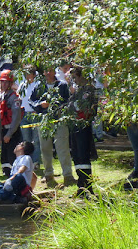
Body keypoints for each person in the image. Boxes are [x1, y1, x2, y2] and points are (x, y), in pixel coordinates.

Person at [32, 67, 75, 187]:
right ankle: (48, 174)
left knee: (63, 148)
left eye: (50, 70)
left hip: (59, 120)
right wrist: (40, 105)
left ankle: (68, 175)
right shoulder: (39, 86)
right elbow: (32, 101)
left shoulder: (62, 85)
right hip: (44, 121)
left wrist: (59, 107)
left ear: (54, 72)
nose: (48, 73)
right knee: (45, 148)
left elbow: (69, 101)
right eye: (46, 71)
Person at [67, 66, 98, 197]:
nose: (74, 80)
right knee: (76, 155)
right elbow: (69, 106)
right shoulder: (77, 90)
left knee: (83, 155)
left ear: (81, 76)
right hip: (73, 125)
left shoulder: (89, 90)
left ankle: (87, 186)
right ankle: (81, 186)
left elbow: (85, 107)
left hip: (83, 126)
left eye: (75, 77)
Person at [0, 70, 23, 176]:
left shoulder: (14, 98)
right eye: (2, 82)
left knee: (12, 153)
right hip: (3, 129)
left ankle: (14, 173)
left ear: (11, 83)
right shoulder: (1, 96)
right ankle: (6, 171)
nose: (3, 84)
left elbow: (16, 118)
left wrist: (9, 134)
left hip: (12, 131)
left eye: (6, 82)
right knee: (4, 154)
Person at [18, 66, 41, 169]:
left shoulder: (39, 85)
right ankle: (27, 162)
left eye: (29, 73)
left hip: (35, 114)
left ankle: (36, 162)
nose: (27, 76)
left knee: (36, 140)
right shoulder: (22, 85)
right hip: (24, 114)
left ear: (34, 74)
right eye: (26, 74)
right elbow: (19, 97)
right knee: (26, 140)